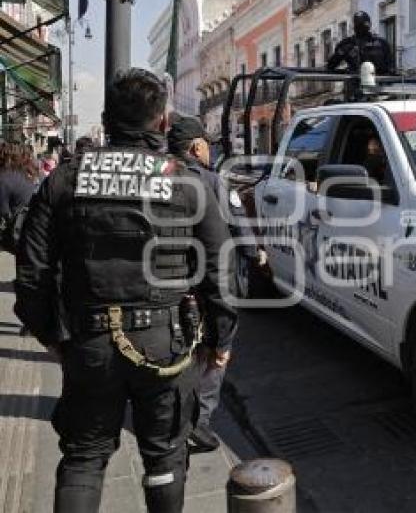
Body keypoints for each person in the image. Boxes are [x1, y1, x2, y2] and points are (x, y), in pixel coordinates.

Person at [14, 69, 237, 512]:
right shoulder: (187, 181)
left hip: (89, 339)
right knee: (165, 455)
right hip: (167, 344)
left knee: (84, 457)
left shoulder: (63, 179)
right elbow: (220, 269)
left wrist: (50, 336)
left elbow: (31, 271)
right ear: (162, 122)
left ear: (106, 119)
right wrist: (220, 340)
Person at [167, 113, 251, 452]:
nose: (209, 152)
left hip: (171, 282)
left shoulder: (161, 178)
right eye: (206, 146)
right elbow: (239, 225)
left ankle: (177, 414)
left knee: (185, 351)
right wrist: (256, 255)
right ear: (195, 146)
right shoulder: (214, 182)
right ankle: (197, 425)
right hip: (209, 281)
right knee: (217, 354)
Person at [326, 11, 395, 75]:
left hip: (378, 84)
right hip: (355, 85)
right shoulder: (347, 43)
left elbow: (390, 68)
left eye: (362, 25)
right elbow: (331, 65)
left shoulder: (382, 43)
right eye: (359, 25)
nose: (361, 28)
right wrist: (341, 52)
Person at [0, 142, 38, 222]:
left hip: (17, 226)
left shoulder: (4, 179)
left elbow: (4, 212)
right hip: (32, 221)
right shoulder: (25, 174)